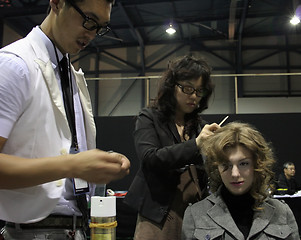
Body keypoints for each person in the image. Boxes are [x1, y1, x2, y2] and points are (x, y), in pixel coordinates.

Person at [0, 0, 130, 239]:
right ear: (58, 3)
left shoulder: (70, 75)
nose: (91, 34)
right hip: (31, 231)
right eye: (88, 20)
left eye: (100, 27)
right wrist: (73, 165)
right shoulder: (14, 65)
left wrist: (96, 163)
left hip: (78, 227)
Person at [123, 55, 219, 240]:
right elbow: (151, 158)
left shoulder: (198, 126)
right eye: (188, 88)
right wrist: (196, 144)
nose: (194, 96)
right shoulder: (149, 117)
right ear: (171, 86)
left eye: (199, 91)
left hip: (195, 213)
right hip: (158, 213)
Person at [182, 122, 300, 240]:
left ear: (257, 164)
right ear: (216, 167)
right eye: (226, 165)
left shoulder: (281, 213)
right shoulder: (195, 215)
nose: (235, 174)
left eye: (243, 164)